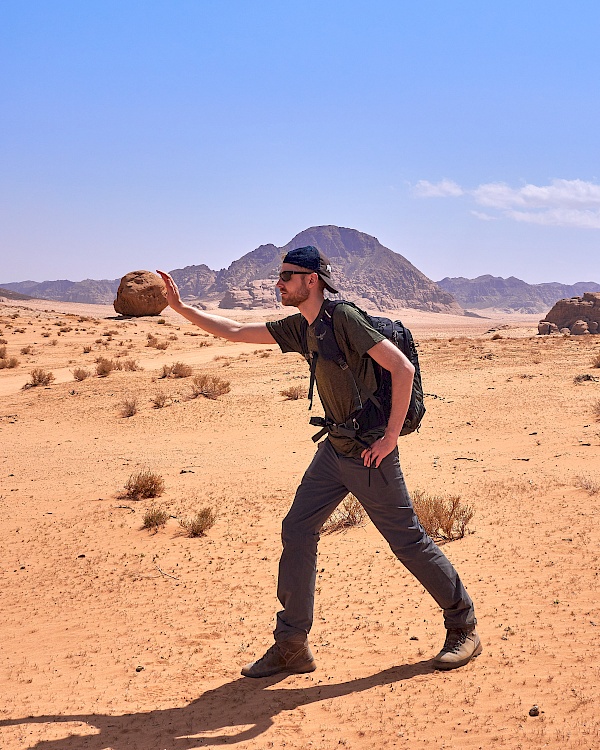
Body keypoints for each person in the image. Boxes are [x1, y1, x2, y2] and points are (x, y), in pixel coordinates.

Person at [156, 245, 481, 678]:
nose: (279, 283)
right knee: (297, 528)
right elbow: (233, 330)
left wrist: (388, 438)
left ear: (312, 280)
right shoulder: (301, 328)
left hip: (368, 454)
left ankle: (463, 626)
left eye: (287, 276)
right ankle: (291, 646)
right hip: (333, 451)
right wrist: (180, 308)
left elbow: (401, 370)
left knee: (408, 541)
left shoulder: (343, 318)